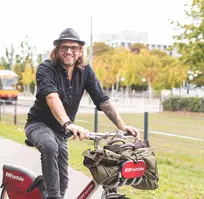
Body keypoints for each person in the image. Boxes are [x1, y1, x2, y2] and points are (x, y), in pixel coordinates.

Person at [24, 28, 140, 199]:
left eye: (74, 47)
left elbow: (102, 100)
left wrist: (122, 126)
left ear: (80, 51)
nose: (69, 51)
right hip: (38, 125)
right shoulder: (46, 69)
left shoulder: (85, 71)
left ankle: (48, 190)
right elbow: (51, 98)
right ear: (56, 50)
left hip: (61, 132)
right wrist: (68, 123)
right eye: (64, 47)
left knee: (62, 183)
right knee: (49, 147)